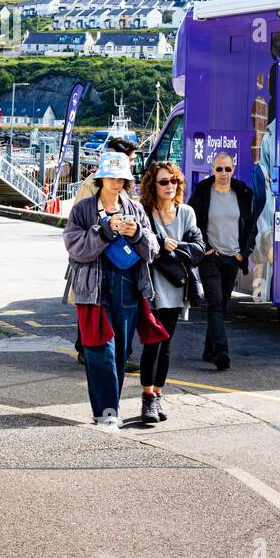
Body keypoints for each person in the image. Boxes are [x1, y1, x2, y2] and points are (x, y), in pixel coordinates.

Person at [63, 151, 162, 427]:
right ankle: (106, 413)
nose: (118, 183)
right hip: (94, 289)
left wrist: (138, 234)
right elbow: (74, 247)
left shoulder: (135, 208)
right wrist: (104, 231)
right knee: (99, 350)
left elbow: (152, 249)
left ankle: (111, 410)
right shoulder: (83, 209)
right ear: (101, 177)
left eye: (122, 178)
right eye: (113, 177)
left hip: (128, 286)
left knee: (120, 352)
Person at [137, 160, 204, 423]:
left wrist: (172, 248)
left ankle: (158, 394)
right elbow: (140, 244)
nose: (170, 186)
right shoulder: (144, 211)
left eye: (174, 181)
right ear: (152, 185)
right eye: (164, 181)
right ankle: (147, 400)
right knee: (152, 344)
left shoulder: (186, 213)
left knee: (165, 345)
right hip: (151, 289)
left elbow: (199, 247)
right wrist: (159, 243)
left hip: (177, 287)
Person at [69, 136, 142, 364]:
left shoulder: (126, 188)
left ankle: (119, 354)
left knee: (117, 311)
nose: (131, 164)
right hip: (94, 259)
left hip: (122, 260)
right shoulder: (90, 187)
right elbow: (77, 225)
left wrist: (136, 231)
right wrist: (100, 232)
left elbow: (143, 227)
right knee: (91, 302)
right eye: (128, 159)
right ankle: (88, 349)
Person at [190, 151, 256, 370]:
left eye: (228, 169)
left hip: (232, 258)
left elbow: (251, 227)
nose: (224, 173)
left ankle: (208, 350)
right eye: (219, 169)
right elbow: (192, 222)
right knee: (215, 303)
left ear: (233, 169)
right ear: (212, 170)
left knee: (223, 304)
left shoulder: (243, 192)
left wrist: (242, 254)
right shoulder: (202, 191)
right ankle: (221, 351)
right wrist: (205, 248)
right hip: (211, 257)